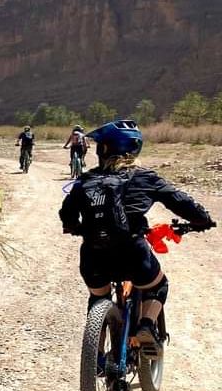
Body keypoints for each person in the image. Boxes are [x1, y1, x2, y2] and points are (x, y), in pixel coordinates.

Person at [59, 120, 215, 358]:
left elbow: (67, 215)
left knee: (97, 296)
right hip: (132, 252)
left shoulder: (86, 180)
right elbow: (181, 202)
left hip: (93, 254)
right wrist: (202, 220)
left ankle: (96, 354)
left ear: (105, 150)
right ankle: (146, 326)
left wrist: (77, 229)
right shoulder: (145, 177)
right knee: (158, 285)